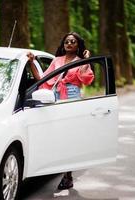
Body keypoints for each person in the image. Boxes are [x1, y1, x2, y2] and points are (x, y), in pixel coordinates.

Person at [27, 32, 94, 190]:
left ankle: (67, 175)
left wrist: (85, 60)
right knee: (57, 135)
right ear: (63, 45)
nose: (69, 44)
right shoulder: (56, 61)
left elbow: (86, 78)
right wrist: (31, 62)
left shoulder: (80, 61)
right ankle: (58, 169)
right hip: (56, 95)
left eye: (73, 41)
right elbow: (42, 79)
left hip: (72, 95)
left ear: (78, 45)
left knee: (68, 135)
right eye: (66, 41)